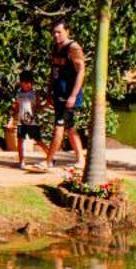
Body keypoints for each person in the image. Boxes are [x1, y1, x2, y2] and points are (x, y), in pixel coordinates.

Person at [44, 20, 88, 168]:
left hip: (69, 96)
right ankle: (81, 159)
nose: (56, 35)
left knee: (59, 127)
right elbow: (53, 72)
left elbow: (81, 71)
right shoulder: (55, 48)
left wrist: (73, 96)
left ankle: (48, 161)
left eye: (59, 32)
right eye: (54, 32)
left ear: (67, 31)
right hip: (58, 94)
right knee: (70, 128)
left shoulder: (73, 48)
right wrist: (49, 92)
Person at [10, 72, 44, 170]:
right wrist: (13, 116)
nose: (28, 85)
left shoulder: (34, 94)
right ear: (21, 83)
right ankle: (21, 161)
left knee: (38, 140)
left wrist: (45, 105)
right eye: (26, 83)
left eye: (30, 83)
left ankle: (50, 156)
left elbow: (38, 107)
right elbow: (17, 107)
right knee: (20, 141)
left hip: (32, 122)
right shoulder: (18, 94)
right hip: (21, 122)